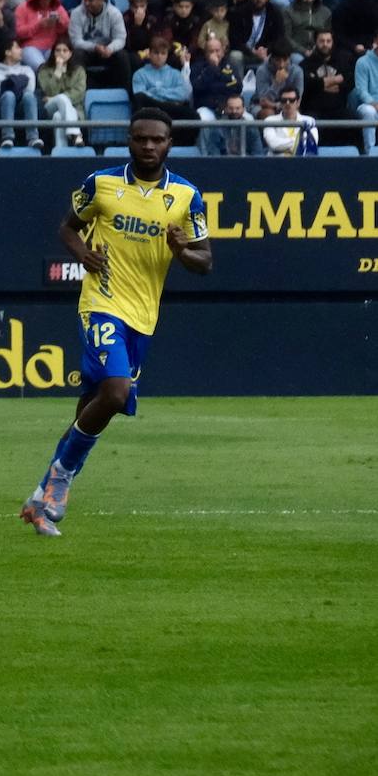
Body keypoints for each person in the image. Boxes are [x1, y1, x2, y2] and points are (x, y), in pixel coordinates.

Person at [20, 108, 211, 537]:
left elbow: (205, 261)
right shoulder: (101, 183)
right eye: (140, 139)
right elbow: (68, 228)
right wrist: (82, 254)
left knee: (95, 405)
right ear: (129, 140)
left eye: (157, 140)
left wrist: (182, 251)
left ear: (169, 144)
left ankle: (41, 497)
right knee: (116, 390)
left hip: (144, 314)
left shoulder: (185, 196)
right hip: (102, 303)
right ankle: (62, 480)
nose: (148, 146)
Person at [0, 37, 43, 149]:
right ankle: (7, 137)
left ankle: (33, 137)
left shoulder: (27, 70)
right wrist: (15, 83)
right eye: (17, 47)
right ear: (7, 52)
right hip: (0, 107)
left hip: (21, 105)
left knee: (29, 96)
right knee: (9, 95)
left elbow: (29, 90)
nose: (21, 50)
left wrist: (10, 84)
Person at [68, 0, 130, 89]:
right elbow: (75, 41)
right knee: (76, 55)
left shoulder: (114, 14)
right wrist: (94, 47)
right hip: (87, 51)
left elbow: (120, 39)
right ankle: (79, 90)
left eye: (91, 0)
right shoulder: (76, 13)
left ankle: (124, 93)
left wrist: (110, 48)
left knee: (122, 56)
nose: (86, 3)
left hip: (108, 51)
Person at [227, 0, 286, 76]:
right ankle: (237, 87)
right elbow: (234, 40)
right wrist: (251, 51)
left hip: (265, 52)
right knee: (235, 56)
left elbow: (280, 37)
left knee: (279, 57)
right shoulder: (239, 12)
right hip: (245, 52)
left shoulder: (275, 13)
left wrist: (267, 50)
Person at [38, 38, 86, 147]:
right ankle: (75, 133)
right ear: (53, 53)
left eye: (65, 50)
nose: (61, 53)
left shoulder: (79, 71)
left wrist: (57, 97)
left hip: (75, 109)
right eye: (58, 50)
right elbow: (49, 91)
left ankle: (61, 151)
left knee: (58, 116)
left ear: (70, 53)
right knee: (60, 99)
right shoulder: (44, 70)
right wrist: (58, 70)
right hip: (50, 106)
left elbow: (79, 93)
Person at [14, 0, 70, 69]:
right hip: (30, 47)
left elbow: (67, 28)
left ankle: (56, 79)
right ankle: (44, 75)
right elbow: (18, 32)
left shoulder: (58, 8)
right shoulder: (23, 8)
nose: (45, 1)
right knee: (40, 66)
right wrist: (38, 25)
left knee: (60, 62)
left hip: (52, 48)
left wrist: (59, 22)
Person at [300, 28, 351, 122]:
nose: (325, 44)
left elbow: (348, 82)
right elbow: (307, 84)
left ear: (333, 42)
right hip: (314, 110)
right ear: (315, 42)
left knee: (353, 121)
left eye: (328, 41)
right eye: (321, 41)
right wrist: (335, 80)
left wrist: (319, 84)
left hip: (337, 109)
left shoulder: (343, 60)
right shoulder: (306, 64)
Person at [198, 93, 265, 155]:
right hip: (223, 164)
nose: (234, 111)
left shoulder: (251, 128)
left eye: (237, 108)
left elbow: (258, 153)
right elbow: (214, 153)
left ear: (243, 109)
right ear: (226, 109)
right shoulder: (217, 127)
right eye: (231, 108)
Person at [262, 87, 319, 153]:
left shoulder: (309, 120)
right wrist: (298, 143)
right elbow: (273, 144)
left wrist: (284, 145)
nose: (288, 103)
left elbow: (312, 142)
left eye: (292, 100)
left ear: (298, 102)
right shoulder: (270, 120)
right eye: (284, 100)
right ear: (280, 103)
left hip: (301, 162)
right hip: (277, 162)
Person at [353, 28, 378, 152]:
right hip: (367, 105)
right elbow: (361, 90)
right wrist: (374, 103)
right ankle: (370, 152)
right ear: (376, 41)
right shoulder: (363, 62)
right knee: (369, 112)